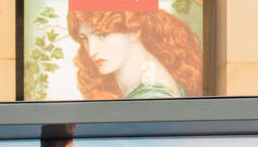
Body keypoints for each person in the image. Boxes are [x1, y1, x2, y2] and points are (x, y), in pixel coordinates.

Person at [67, 9, 203, 100]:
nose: (92, 51)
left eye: (103, 35)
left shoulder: (154, 97)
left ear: (134, 31)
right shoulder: (137, 77)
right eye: (85, 38)